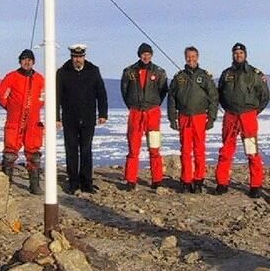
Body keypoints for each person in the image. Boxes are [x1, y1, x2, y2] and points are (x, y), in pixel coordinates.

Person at [215, 43, 270, 198]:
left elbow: (265, 96)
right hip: (231, 115)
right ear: (232, 55)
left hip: (248, 116)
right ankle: (222, 182)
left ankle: (255, 185)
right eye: (235, 53)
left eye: (240, 52)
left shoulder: (254, 74)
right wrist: (227, 108)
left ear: (245, 54)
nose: (238, 55)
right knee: (226, 149)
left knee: (252, 151)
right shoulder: (226, 74)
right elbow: (220, 94)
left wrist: (254, 112)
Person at [56, 44, 108, 195]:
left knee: (86, 150)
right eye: (75, 57)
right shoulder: (62, 72)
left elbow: (101, 93)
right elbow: (57, 96)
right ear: (71, 57)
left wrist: (103, 113)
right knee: (71, 150)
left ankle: (87, 182)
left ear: (84, 56)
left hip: (88, 118)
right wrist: (57, 117)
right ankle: (73, 182)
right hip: (69, 118)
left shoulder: (93, 71)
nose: (77, 59)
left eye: (80, 56)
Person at [167, 46, 218, 193]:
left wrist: (211, 117)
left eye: (193, 56)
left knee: (199, 150)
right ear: (185, 57)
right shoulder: (179, 77)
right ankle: (186, 180)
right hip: (184, 117)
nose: (191, 59)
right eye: (188, 56)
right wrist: (172, 118)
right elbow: (171, 98)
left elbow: (214, 98)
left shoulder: (205, 76)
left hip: (200, 117)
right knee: (185, 150)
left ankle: (199, 180)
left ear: (198, 57)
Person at [120, 43, 169, 191]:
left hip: (153, 113)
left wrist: (153, 104)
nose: (146, 56)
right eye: (143, 54)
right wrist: (132, 104)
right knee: (133, 147)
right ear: (139, 55)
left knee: (154, 147)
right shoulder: (129, 72)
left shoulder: (159, 72)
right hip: (136, 113)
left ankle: (157, 179)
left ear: (152, 55)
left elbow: (163, 91)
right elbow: (124, 90)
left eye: (148, 54)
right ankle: (130, 179)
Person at [0, 49, 45, 195]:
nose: (27, 62)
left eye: (29, 59)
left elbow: (43, 97)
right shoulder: (11, 77)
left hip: (33, 122)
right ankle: (6, 184)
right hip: (15, 120)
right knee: (10, 153)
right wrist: (12, 108)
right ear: (20, 61)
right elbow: (1, 96)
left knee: (34, 153)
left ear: (33, 62)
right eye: (24, 59)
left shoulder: (40, 79)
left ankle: (34, 184)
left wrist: (34, 108)